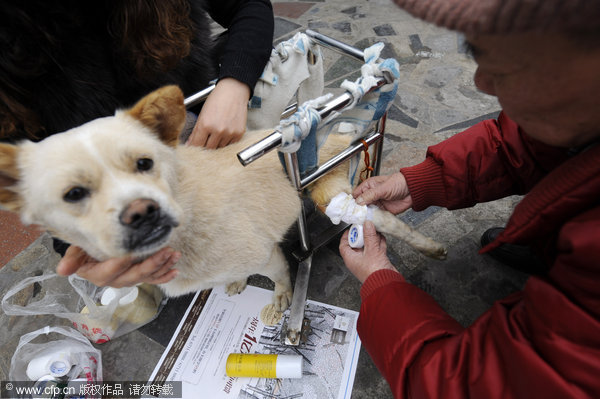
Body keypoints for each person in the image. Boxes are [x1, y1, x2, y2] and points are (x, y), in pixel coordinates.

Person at [339, 0, 600, 398]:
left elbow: (470, 386)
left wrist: (379, 280)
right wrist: (420, 181)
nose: (481, 82)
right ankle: (551, 248)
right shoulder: (578, 115)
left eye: (507, 66)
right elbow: (525, 145)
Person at [0, 0, 274, 287]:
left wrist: (235, 84)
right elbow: (44, 197)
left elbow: (249, 5)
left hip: (204, 137)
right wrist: (82, 252)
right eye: (75, 192)